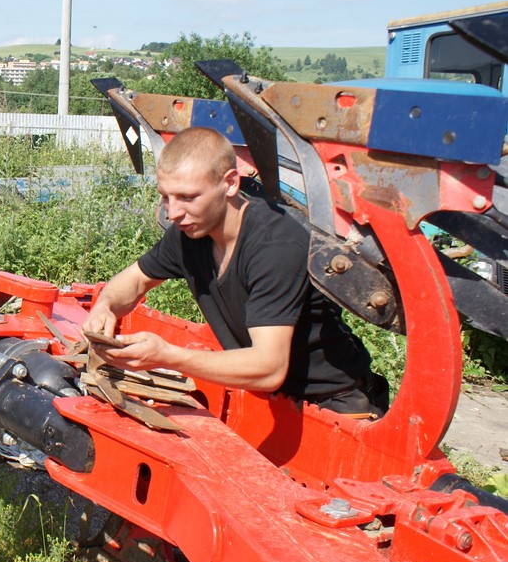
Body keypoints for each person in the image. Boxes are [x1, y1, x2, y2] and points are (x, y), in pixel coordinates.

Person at [84, 126, 386, 418]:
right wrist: (105, 306)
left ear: (230, 183)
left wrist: (167, 356)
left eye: (188, 197)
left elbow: (269, 367)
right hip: (267, 398)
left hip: (333, 407)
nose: (173, 212)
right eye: (166, 196)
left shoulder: (274, 246)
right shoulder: (189, 233)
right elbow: (135, 280)